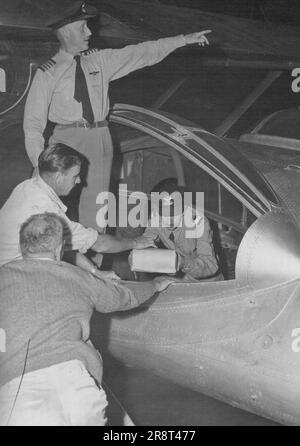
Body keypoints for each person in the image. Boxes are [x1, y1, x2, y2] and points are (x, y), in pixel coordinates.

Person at [23, 1, 211, 230]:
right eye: (83, 27)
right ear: (66, 32)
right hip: (66, 141)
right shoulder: (47, 73)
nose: (90, 32)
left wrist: (182, 39)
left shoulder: (100, 60)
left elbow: (142, 52)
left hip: (100, 137)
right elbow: (32, 125)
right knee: (47, 207)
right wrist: (39, 162)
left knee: (98, 209)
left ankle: (93, 262)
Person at [0, 212, 173, 426]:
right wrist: (155, 285)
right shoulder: (76, 275)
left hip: (20, 390)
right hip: (76, 385)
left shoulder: (3, 276)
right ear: (59, 248)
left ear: (22, 246)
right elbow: (123, 298)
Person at [0, 143, 153, 275]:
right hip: (11, 276)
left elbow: (66, 244)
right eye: (75, 176)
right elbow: (99, 243)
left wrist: (95, 272)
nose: (80, 181)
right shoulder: (45, 209)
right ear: (59, 177)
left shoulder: (27, 187)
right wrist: (135, 242)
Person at [143, 178, 221, 282]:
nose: (169, 220)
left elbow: (211, 266)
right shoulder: (155, 219)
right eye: (164, 214)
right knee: (155, 284)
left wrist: (183, 262)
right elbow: (146, 241)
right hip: (181, 276)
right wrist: (139, 253)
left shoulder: (198, 221)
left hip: (207, 278)